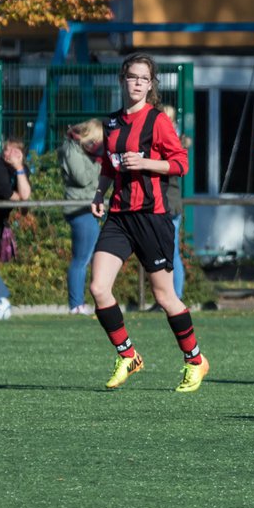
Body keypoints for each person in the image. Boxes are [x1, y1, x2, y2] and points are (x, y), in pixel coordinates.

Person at [88, 53, 209, 392]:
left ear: (151, 84)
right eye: (133, 77)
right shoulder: (111, 123)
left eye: (145, 78)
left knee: (165, 296)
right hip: (119, 217)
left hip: (151, 217)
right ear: (122, 79)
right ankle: (128, 355)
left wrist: (146, 162)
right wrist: (99, 194)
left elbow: (180, 163)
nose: (138, 83)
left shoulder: (156, 120)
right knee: (98, 287)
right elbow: (109, 167)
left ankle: (195, 360)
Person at [0, 139, 31, 320]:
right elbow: (13, 197)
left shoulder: (20, 170)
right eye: (8, 150)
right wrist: (20, 197)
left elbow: (25, 199)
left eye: (15, 151)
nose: (9, 154)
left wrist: (19, 169)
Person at [60, 120, 104, 315]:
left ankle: (90, 300)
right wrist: (100, 165)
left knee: (93, 257)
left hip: (90, 207)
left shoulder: (85, 152)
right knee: (81, 259)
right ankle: (76, 304)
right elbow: (82, 178)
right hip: (80, 208)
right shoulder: (72, 150)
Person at [160, 105, 192, 301]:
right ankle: (168, 295)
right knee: (166, 252)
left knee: (171, 252)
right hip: (167, 203)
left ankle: (175, 296)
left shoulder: (171, 145)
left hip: (169, 205)